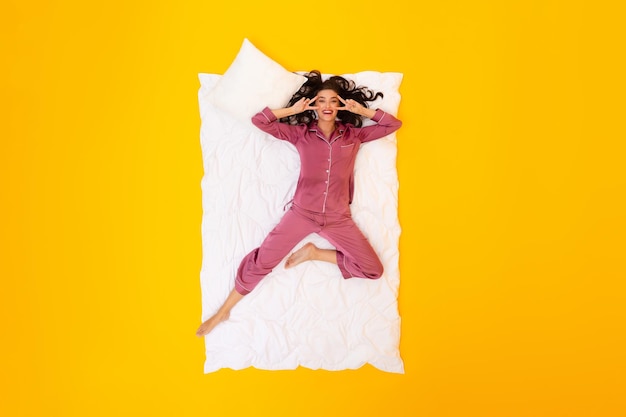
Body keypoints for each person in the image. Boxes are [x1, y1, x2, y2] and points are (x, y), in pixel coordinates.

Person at [196, 70, 402, 337]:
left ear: (340, 105)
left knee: (373, 270)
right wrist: (292, 110)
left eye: (333, 101)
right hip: (302, 214)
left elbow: (392, 125)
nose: (327, 106)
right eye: (321, 100)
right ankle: (223, 311)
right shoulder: (301, 134)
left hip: (339, 218)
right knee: (263, 261)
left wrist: (362, 110)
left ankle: (314, 253)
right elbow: (261, 120)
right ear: (314, 105)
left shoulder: (353, 136)